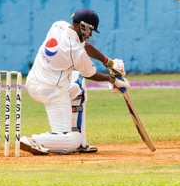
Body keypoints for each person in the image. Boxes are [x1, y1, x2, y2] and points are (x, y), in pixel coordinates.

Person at [19, 8, 129, 155]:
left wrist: (108, 62)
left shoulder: (58, 25)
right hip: (52, 91)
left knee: (78, 87)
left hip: (36, 80)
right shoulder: (74, 50)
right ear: (84, 26)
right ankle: (34, 140)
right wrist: (112, 80)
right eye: (91, 30)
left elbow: (84, 46)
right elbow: (90, 73)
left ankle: (80, 143)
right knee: (69, 141)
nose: (90, 35)